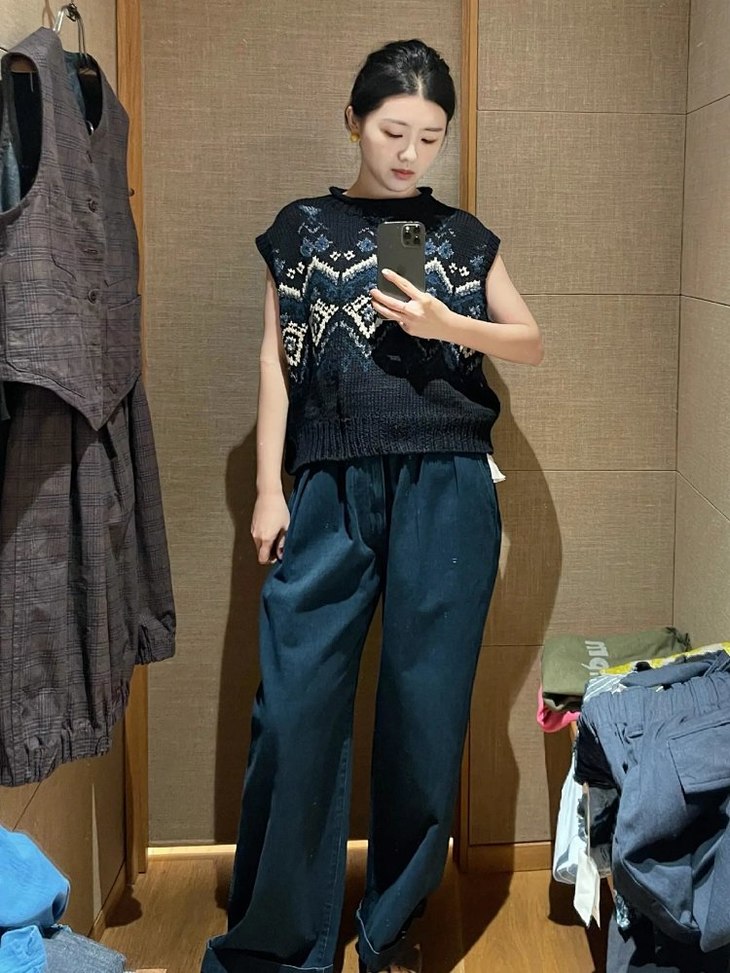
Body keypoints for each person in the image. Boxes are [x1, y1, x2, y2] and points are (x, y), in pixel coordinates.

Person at [202, 38, 543, 973]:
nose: (409, 154)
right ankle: (278, 941)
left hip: (448, 484)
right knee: (294, 711)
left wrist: (447, 322)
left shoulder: (461, 236)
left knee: (425, 714)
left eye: (430, 137)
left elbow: (529, 340)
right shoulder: (302, 229)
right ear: (352, 120)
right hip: (329, 485)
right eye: (393, 131)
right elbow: (274, 359)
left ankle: (390, 928)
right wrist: (268, 488)